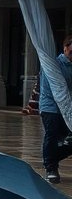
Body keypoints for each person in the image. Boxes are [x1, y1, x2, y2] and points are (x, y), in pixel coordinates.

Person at [38, 36, 72, 183]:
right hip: (50, 107)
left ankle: (51, 158)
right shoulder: (53, 64)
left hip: (68, 109)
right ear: (65, 48)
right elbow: (53, 88)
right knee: (51, 135)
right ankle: (51, 168)